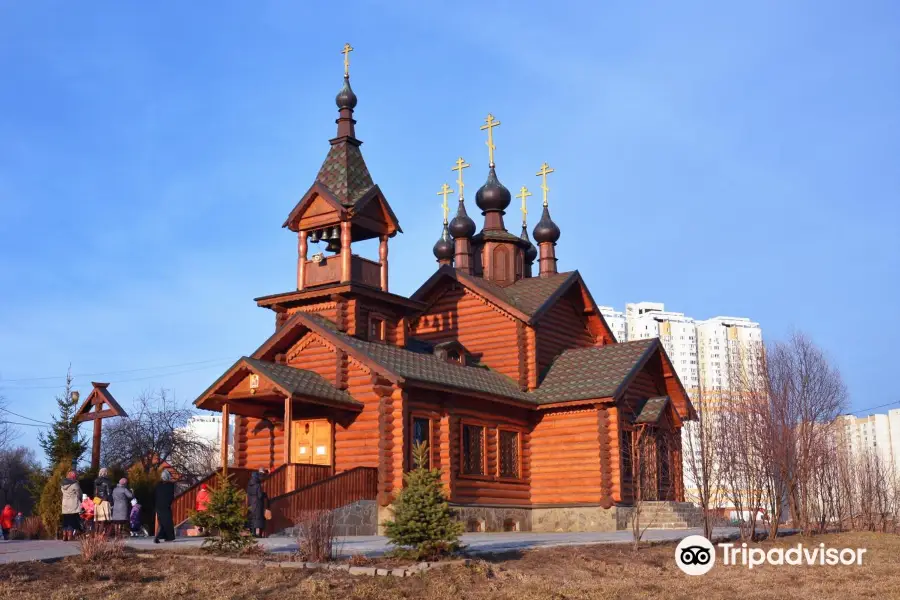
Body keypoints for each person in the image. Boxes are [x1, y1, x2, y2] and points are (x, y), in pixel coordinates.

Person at [153, 470, 176, 543]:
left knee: (162, 522)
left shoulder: (158, 485)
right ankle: (161, 536)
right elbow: (171, 496)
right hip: (166, 506)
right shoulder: (170, 485)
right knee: (167, 522)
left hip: (158, 506)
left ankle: (165, 536)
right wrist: (169, 503)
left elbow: (155, 495)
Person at [61, 471, 82, 541]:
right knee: (71, 519)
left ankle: (64, 535)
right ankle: (70, 536)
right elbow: (79, 493)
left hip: (65, 503)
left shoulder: (62, 484)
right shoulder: (75, 484)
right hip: (73, 503)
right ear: (73, 477)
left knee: (65, 519)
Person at [246, 471, 267, 538]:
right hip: (257, 504)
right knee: (259, 518)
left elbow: (248, 494)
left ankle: (253, 533)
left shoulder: (249, 484)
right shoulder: (258, 485)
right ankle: (260, 534)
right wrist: (264, 494)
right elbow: (260, 495)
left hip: (250, 504)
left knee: (252, 518)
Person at [93, 467, 114, 535]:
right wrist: (111, 502)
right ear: (106, 473)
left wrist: (96, 500)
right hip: (105, 501)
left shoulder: (96, 481)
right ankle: (99, 535)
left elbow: (95, 492)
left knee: (96, 519)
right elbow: (109, 493)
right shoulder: (108, 481)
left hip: (97, 501)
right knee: (103, 520)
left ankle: (96, 534)